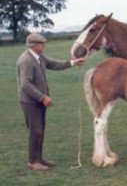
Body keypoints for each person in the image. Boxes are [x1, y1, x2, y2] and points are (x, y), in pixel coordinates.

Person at [16, 33, 85, 171]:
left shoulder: (38, 57)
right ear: (34, 45)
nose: (44, 45)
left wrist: (72, 63)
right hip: (30, 102)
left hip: (38, 101)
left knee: (40, 130)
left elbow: (53, 64)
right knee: (35, 131)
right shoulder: (26, 60)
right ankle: (32, 162)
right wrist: (43, 97)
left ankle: (39, 158)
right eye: (42, 44)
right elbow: (25, 84)